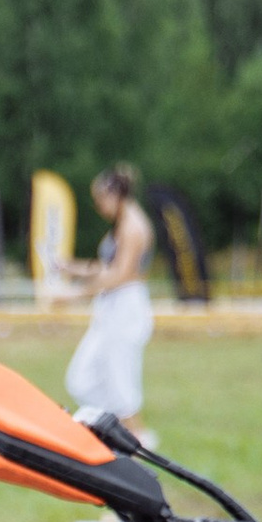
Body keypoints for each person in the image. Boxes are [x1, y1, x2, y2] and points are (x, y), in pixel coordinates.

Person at [66, 166, 156, 432]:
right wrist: (72, 267)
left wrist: (75, 294)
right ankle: (116, 432)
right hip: (110, 309)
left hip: (126, 309)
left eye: (100, 199)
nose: (98, 207)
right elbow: (107, 268)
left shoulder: (134, 227)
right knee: (81, 379)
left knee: (122, 386)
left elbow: (121, 275)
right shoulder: (122, 226)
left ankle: (138, 444)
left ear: (115, 194)